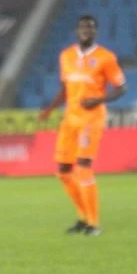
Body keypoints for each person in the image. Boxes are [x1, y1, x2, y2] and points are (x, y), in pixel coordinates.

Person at [39, 15, 127, 236]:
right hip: (70, 118)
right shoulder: (66, 55)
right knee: (63, 170)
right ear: (77, 31)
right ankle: (83, 217)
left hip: (92, 118)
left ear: (95, 31)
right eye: (82, 27)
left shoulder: (106, 57)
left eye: (90, 27)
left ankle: (94, 223)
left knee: (83, 167)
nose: (86, 30)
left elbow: (121, 88)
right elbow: (65, 88)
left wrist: (99, 99)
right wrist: (50, 109)